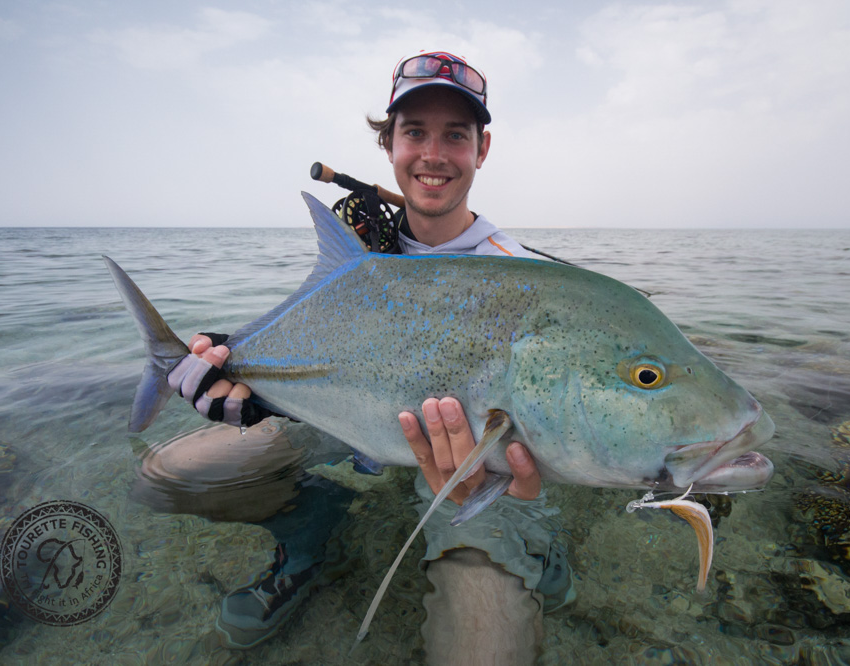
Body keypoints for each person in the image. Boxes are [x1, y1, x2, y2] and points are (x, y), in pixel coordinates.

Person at [165, 51, 572, 662]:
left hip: (466, 472)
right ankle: (310, 529)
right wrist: (240, 369)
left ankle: (532, 541)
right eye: (415, 133)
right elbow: (312, 342)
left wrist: (516, 489)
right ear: (389, 145)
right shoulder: (360, 245)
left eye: (455, 136)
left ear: (481, 149)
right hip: (356, 421)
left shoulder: (520, 276)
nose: (433, 154)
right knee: (176, 473)